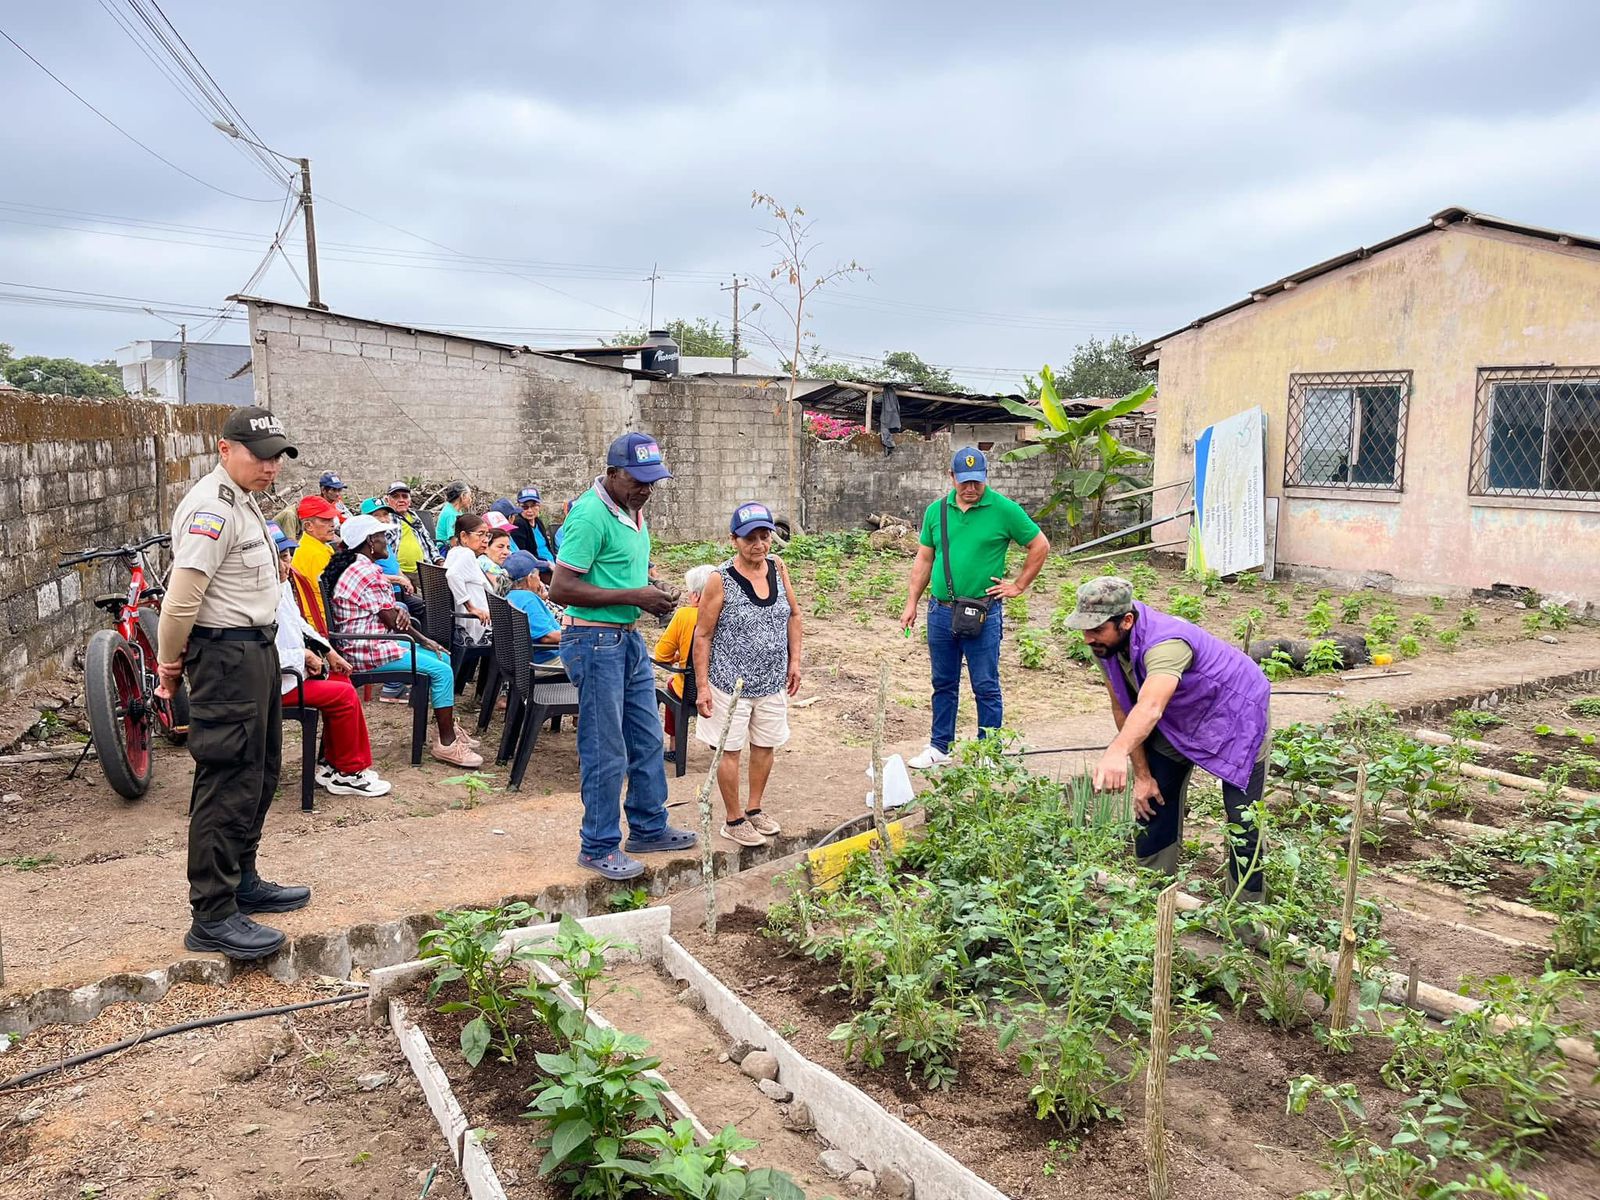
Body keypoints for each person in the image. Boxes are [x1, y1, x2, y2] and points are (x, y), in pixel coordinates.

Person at [156, 405, 308, 961]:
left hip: (254, 651)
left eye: (278, 458)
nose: (271, 467)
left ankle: (242, 879)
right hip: (224, 657)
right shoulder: (211, 508)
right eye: (260, 456)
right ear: (225, 450)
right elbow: (181, 600)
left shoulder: (243, 500)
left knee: (260, 771)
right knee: (227, 778)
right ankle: (213, 913)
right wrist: (169, 665)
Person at [550, 432, 695, 880]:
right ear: (612, 473)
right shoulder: (590, 515)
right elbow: (561, 588)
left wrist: (650, 588)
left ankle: (649, 827)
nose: (646, 489)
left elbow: (618, 569)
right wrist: (635, 595)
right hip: (593, 643)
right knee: (605, 747)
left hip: (626, 639)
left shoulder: (632, 508)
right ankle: (597, 845)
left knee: (646, 737)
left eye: (652, 481)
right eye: (637, 480)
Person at [1073, 577, 1271, 901]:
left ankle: (1246, 911)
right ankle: (1152, 893)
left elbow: (1150, 707)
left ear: (1126, 621)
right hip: (1178, 717)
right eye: (1084, 628)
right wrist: (1142, 774)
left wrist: (1116, 751)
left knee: (1243, 816)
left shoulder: (1166, 644)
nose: (1087, 638)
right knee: (1152, 797)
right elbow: (1123, 705)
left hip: (1236, 713)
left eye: (1096, 629)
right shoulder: (1105, 645)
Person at [899, 447, 1050, 769]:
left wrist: (1019, 585)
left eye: (977, 482)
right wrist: (911, 602)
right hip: (940, 611)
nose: (970, 488)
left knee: (985, 685)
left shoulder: (1004, 510)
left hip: (983, 612)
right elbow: (924, 558)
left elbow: (1039, 544)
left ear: (985, 478)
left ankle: (988, 751)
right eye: (964, 481)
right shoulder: (937, 511)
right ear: (951, 477)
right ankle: (939, 747)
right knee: (943, 683)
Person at [324, 514, 484, 768]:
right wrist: (424, 639)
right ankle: (446, 743)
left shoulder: (357, 566)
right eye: (382, 536)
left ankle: (444, 728)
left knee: (443, 658)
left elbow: (390, 613)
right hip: (368, 649)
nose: (387, 542)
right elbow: (392, 620)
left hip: (367, 642)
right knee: (442, 669)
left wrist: (400, 612)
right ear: (370, 541)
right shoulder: (366, 572)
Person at [692, 503, 802, 846]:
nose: (759, 544)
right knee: (729, 749)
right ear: (734, 540)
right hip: (730, 683)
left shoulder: (778, 567)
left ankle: (754, 809)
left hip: (772, 680)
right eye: (750, 538)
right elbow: (702, 634)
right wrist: (702, 687)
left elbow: (794, 615)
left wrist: (795, 661)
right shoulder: (719, 579)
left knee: (765, 745)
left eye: (764, 536)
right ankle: (734, 818)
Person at [272, 531, 391, 798]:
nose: (285, 564)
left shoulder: (281, 586)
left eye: (287, 556)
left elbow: (298, 623)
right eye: (278, 558)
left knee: (341, 678)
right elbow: (263, 652)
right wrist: (303, 655)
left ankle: (332, 764)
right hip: (278, 681)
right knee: (344, 695)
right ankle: (350, 772)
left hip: (295, 672)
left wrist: (328, 651)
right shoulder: (258, 597)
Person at [653, 564, 713, 740]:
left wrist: (679, 656)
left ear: (696, 595)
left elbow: (661, 655)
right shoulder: (730, 616)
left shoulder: (685, 615)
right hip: (724, 690)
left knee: (673, 683)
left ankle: (674, 744)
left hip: (692, 691)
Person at [503, 550, 562, 662]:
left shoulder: (510, 595)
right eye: (538, 575)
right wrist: (576, 636)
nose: (540, 581)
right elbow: (547, 637)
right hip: (547, 659)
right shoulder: (528, 599)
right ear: (529, 579)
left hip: (526, 660)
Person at [291, 495, 341, 628]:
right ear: (308, 526)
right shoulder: (315, 554)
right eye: (325, 520)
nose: (332, 524)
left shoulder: (315, 545)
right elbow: (336, 594)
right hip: (327, 623)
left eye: (332, 519)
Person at [445, 513, 493, 643]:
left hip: (468, 625)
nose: (485, 540)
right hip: (476, 628)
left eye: (487, 535)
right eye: (480, 534)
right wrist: (471, 608)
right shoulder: (467, 554)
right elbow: (452, 575)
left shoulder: (454, 552)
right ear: (464, 536)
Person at [387, 481, 443, 583]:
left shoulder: (414, 517)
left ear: (410, 500)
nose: (401, 500)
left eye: (405, 496)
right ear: (388, 500)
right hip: (399, 573)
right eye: (396, 497)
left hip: (423, 570)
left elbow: (427, 540)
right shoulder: (386, 519)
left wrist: (439, 560)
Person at [511, 487, 557, 572]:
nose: (529, 510)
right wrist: (547, 564)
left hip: (553, 565)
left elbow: (547, 547)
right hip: (538, 569)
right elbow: (524, 554)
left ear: (539, 506)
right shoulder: (519, 524)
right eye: (525, 507)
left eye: (533, 506)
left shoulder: (538, 522)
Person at [434, 481, 473, 547]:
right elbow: (453, 542)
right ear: (463, 496)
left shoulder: (454, 510)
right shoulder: (451, 514)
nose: (470, 499)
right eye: (469, 496)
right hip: (445, 549)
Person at [479, 527, 514, 596]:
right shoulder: (485, 566)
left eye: (508, 548)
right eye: (500, 547)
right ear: (486, 548)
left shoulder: (499, 567)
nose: (506, 552)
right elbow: (500, 593)